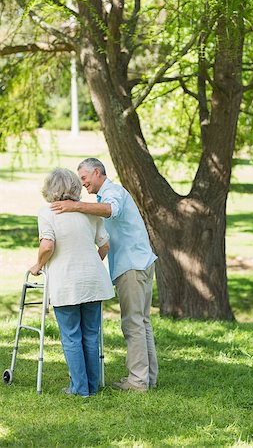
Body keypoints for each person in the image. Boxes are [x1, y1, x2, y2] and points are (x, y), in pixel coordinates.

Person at [51, 158, 158, 392]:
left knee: (133, 324)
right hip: (138, 262)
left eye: (85, 178)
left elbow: (110, 211)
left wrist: (74, 206)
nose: (83, 184)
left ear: (97, 172)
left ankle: (138, 381)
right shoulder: (104, 196)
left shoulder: (113, 192)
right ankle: (147, 377)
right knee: (142, 322)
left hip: (132, 265)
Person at [30, 167, 114, 398]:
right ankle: (92, 386)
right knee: (90, 334)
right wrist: (89, 264)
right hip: (93, 281)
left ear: (50, 189)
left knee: (71, 335)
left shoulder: (47, 213)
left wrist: (37, 265)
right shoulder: (89, 212)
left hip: (66, 282)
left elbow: (47, 246)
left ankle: (79, 389)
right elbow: (105, 246)